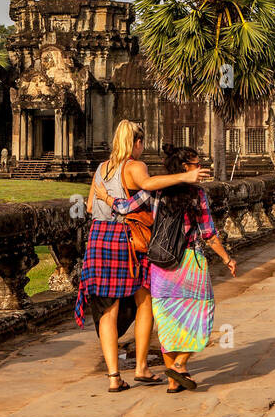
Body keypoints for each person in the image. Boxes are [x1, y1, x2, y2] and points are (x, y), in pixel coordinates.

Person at [79, 120, 210, 392]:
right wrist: (185, 177)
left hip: (98, 239)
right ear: (136, 143)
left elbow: (91, 205)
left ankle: (114, 377)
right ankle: (141, 367)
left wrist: (108, 199)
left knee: (107, 309)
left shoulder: (102, 169)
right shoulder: (135, 166)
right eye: (141, 144)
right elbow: (149, 185)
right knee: (145, 300)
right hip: (127, 241)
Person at [114, 144, 238, 393]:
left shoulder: (156, 190)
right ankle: (180, 364)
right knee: (202, 313)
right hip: (190, 262)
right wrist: (227, 258)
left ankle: (173, 382)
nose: (200, 167)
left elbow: (124, 207)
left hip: (160, 264)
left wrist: (102, 196)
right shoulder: (197, 194)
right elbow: (208, 234)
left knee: (168, 322)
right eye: (197, 164)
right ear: (185, 168)